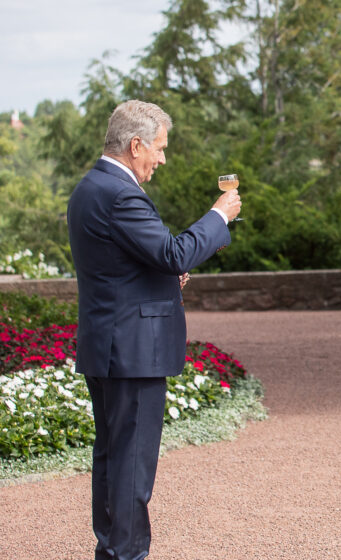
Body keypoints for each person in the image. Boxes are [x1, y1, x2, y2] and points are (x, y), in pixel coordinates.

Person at [67, 100, 240, 559]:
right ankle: (126, 554)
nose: (161, 159)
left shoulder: (90, 188)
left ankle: (111, 549)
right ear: (135, 144)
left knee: (111, 458)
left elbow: (117, 265)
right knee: (132, 466)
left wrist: (164, 274)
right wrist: (219, 216)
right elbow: (173, 254)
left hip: (107, 345)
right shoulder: (121, 193)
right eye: (159, 149)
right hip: (133, 350)